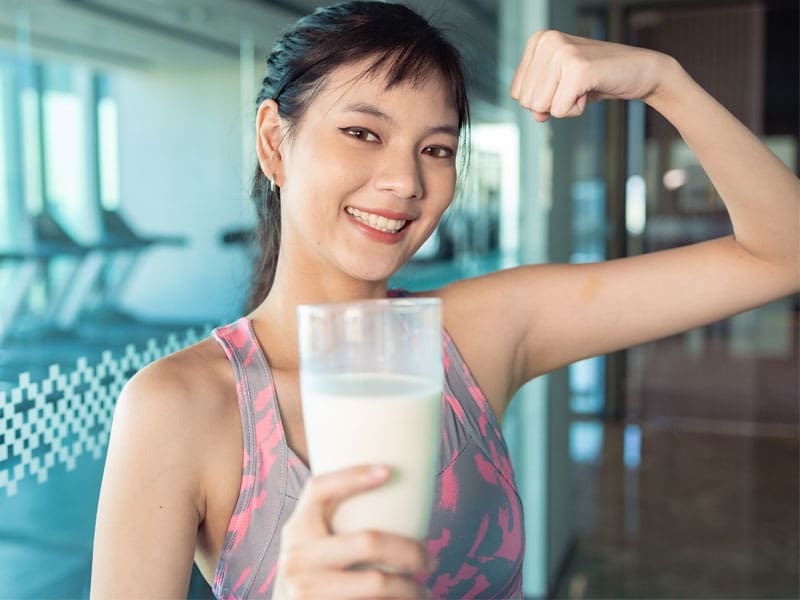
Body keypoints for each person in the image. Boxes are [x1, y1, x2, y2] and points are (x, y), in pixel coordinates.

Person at [90, 1, 799, 598]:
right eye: (363, 133)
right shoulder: (180, 408)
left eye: (435, 149)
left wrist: (662, 80)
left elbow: (782, 253)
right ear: (276, 143)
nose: (405, 181)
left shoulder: (481, 332)